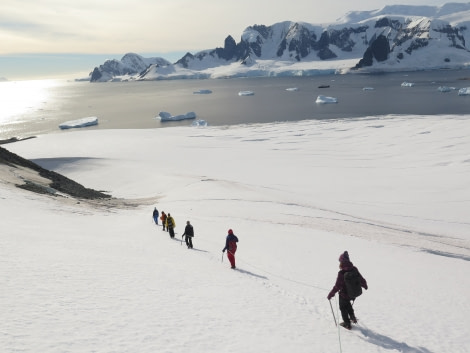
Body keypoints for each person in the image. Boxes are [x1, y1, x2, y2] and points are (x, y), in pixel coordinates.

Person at [327, 251, 368, 329]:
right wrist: (364, 285)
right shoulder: (354, 269)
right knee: (348, 305)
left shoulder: (342, 273)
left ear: (342, 262)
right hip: (353, 293)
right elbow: (360, 278)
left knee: (343, 308)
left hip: (344, 294)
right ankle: (352, 317)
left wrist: (331, 294)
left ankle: (347, 324)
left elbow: (337, 286)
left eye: (340, 261)